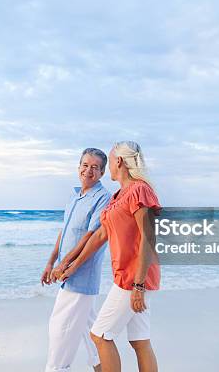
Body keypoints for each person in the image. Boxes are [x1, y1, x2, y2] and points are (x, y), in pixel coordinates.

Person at [58, 141, 161, 372]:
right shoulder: (118, 196)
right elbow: (101, 234)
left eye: (111, 160)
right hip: (129, 277)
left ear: (119, 162)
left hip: (133, 278)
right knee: (139, 340)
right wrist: (70, 262)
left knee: (100, 335)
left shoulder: (139, 190)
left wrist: (138, 284)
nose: (109, 169)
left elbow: (149, 238)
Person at [41, 148, 112, 372]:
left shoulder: (103, 198)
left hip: (80, 274)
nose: (88, 170)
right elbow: (65, 231)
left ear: (102, 172)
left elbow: (91, 235)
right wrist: (51, 262)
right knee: (91, 332)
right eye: (85, 165)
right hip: (65, 271)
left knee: (60, 330)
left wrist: (65, 265)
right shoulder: (74, 196)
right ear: (78, 167)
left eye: (94, 167)